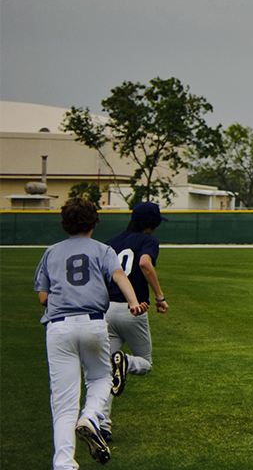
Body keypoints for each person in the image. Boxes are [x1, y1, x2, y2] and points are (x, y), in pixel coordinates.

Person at [35, 196, 145, 469]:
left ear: (64, 224)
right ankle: (91, 417)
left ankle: (63, 463)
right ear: (95, 221)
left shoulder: (51, 252)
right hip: (94, 322)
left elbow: (42, 297)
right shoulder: (102, 249)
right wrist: (132, 302)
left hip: (58, 327)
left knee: (62, 400)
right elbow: (120, 276)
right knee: (100, 378)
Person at [104, 202, 170, 435]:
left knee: (105, 372)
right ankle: (126, 362)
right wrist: (160, 297)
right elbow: (144, 263)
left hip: (106, 310)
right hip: (134, 310)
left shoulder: (111, 242)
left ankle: (102, 425)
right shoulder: (148, 241)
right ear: (151, 224)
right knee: (145, 363)